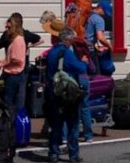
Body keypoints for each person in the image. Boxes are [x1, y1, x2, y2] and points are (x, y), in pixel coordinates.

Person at [46, 28, 86, 163]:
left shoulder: (51, 52)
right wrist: (84, 62)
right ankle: (73, 155)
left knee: (56, 124)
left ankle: (53, 153)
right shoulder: (67, 53)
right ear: (68, 40)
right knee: (73, 125)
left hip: (54, 92)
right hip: (68, 94)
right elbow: (80, 68)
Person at [0, 14, 27, 111]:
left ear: (15, 27)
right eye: (6, 27)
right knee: (11, 100)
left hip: (13, 75)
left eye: (9, 27)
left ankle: (10, 123)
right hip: (14, 74)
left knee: (8, 100)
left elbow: (17, 59)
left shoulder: (17, 40)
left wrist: (4, 63)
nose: (7, 29)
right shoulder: (15, 39)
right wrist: (5, 61)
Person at [84, 0, 113, 74]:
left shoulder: (86, 16)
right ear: (100, 7)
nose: (105, 15)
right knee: (96, 73)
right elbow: (100, 37)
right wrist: (110, 46)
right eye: (105, 12)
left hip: (80, 47)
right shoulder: (99, 19)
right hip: (89, 49)